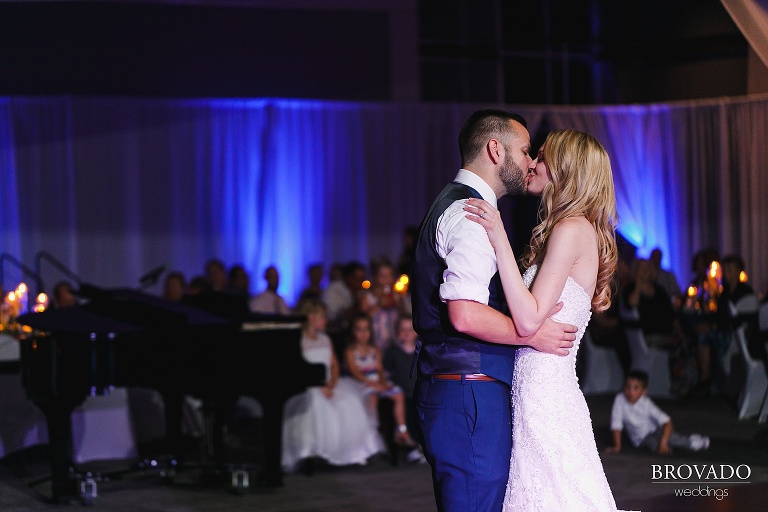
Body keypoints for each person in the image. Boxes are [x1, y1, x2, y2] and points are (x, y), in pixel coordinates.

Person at [410, 109, 577, 512]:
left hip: (457, 386)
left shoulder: (459, 206)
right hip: (468, 390)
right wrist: (531, 334)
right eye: (524, 151)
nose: (530, 162)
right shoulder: (471, 216)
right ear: (495, 149)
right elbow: (464, 314)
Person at [464, 129, 631, 510]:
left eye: (541, 157)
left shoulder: (571, 229)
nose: (532, 164)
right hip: (541, 387)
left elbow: (527, 318)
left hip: (546, 392)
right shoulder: (573, 228)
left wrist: (497, 236)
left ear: (566, 169)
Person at [281, 300, 385, 472]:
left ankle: (354, 451)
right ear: (311, 317)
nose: (326, 321)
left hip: (330, 383)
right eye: (322, 317)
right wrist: (320, 386)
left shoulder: (325, 339)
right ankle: (312, 450)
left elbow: (334, 365)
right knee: (317, 403)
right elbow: (298, 368)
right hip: (311, 385)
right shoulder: (300, 340)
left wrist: (332, 383)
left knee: (350, 401)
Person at [344, 312, 416, 449]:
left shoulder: (374, 349)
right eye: (359, 330)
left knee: (398, 394)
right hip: (362, 383)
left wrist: (382, 383)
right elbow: (355, 373)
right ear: (353, 332)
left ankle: (401, 430)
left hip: (377, 382)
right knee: (372, 397)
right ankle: (373, 430)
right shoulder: (350, 351)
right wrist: (373, 385)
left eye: (366, 329)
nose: (363, 333)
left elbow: (380, 370)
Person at [605, 370, 710, 455]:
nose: (630, 392)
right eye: (628, 387)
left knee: (675, 440)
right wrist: (617, 447)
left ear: (644, 392)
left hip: (656, 429)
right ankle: (669, 444)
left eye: (636, 388)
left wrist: (663, 441)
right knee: (656, 448)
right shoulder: (619, 400)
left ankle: (693, 442)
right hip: (641, 439)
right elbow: (616, 424)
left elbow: (667, 422)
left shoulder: (646, 403)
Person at [382, 313, 426, 464]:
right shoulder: (393, 351)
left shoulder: (422, 349)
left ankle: (422, 445)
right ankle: (410, 446)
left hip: (419, 390)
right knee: (407, 408)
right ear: (397, 332)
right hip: (402, 391)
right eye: (403, 330)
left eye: (410, 329)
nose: (407, 333)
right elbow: (386, 372)